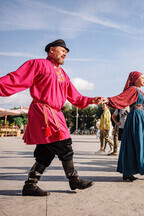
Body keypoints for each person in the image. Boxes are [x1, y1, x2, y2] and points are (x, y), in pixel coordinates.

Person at [0, 39, 105, 196]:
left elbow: (75, 96)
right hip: (44, 112)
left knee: (46, 152)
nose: (65, 53)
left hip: (57, 113)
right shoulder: (38, 64)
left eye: (66, 52)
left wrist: (91, 100)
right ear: (51, 50)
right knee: (64, 145)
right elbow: (16, 78)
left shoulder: (63, 74)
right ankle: (73, 179)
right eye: (62, 50)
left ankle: (30, 185)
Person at [105, 71, 144, 181]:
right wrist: (107, 100)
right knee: (136, 143)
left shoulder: (140, 92)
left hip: (141, 118)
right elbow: (120, 99)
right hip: (135, 118)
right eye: (142, 78)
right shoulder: (132, 90)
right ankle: (130, 172)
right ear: (135, 79)